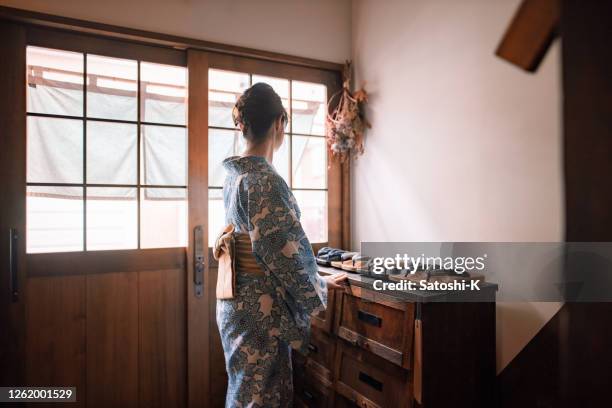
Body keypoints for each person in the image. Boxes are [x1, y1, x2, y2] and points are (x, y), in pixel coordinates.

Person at [216, 82, 348, 407]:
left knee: (244, 394)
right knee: (261, 399)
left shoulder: (235, 175)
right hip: (259, 311)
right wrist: (322, 287)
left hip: (235, 303)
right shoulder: (264, 180)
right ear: (279, 124)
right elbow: (286, 256)